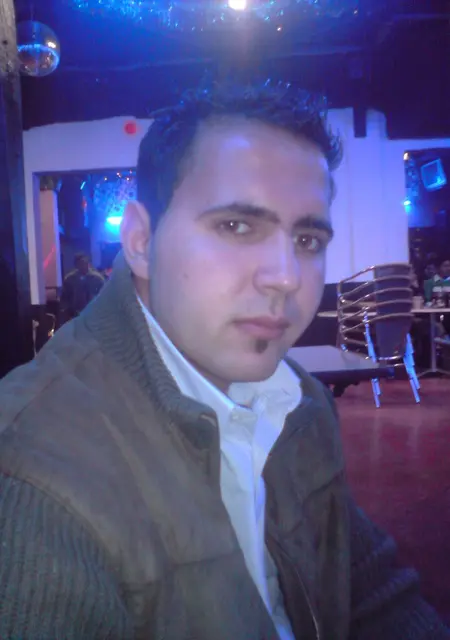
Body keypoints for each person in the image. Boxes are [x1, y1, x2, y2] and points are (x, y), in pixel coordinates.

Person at [0, 83, 448, 640]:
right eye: (237, 226)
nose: (286, 276)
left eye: (308, 239)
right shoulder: (31, 478)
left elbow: (368, 587)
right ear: (140, 241)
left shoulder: (298, 404)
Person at [59, 252, 105, 321]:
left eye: (85, 263)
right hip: (75, 314)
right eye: (80, 264)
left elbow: (104, 295)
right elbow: (65, 297)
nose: (83, 266)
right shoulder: (70, 279)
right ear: (76, 265)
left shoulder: (97, 279)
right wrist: (66, 311)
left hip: (94, 313)